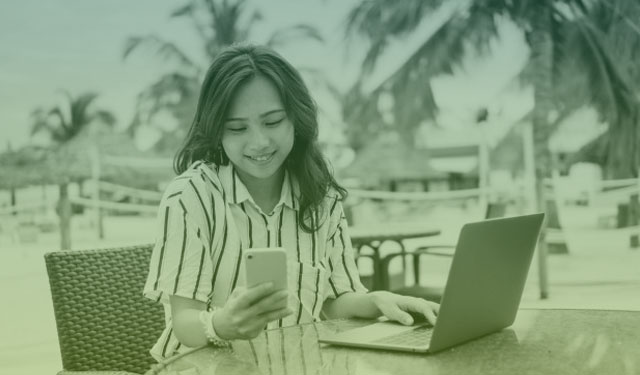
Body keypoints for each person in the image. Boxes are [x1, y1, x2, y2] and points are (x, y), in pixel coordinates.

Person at [143, 43, 439, 361]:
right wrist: (224, 324)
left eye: (272, 122)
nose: (259, 142)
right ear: (217, 132)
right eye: (237, 128)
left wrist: (379, 300)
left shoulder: (320, 195)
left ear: (295, 119)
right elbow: (184, 322)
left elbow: (334, 301)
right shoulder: (191, 197)